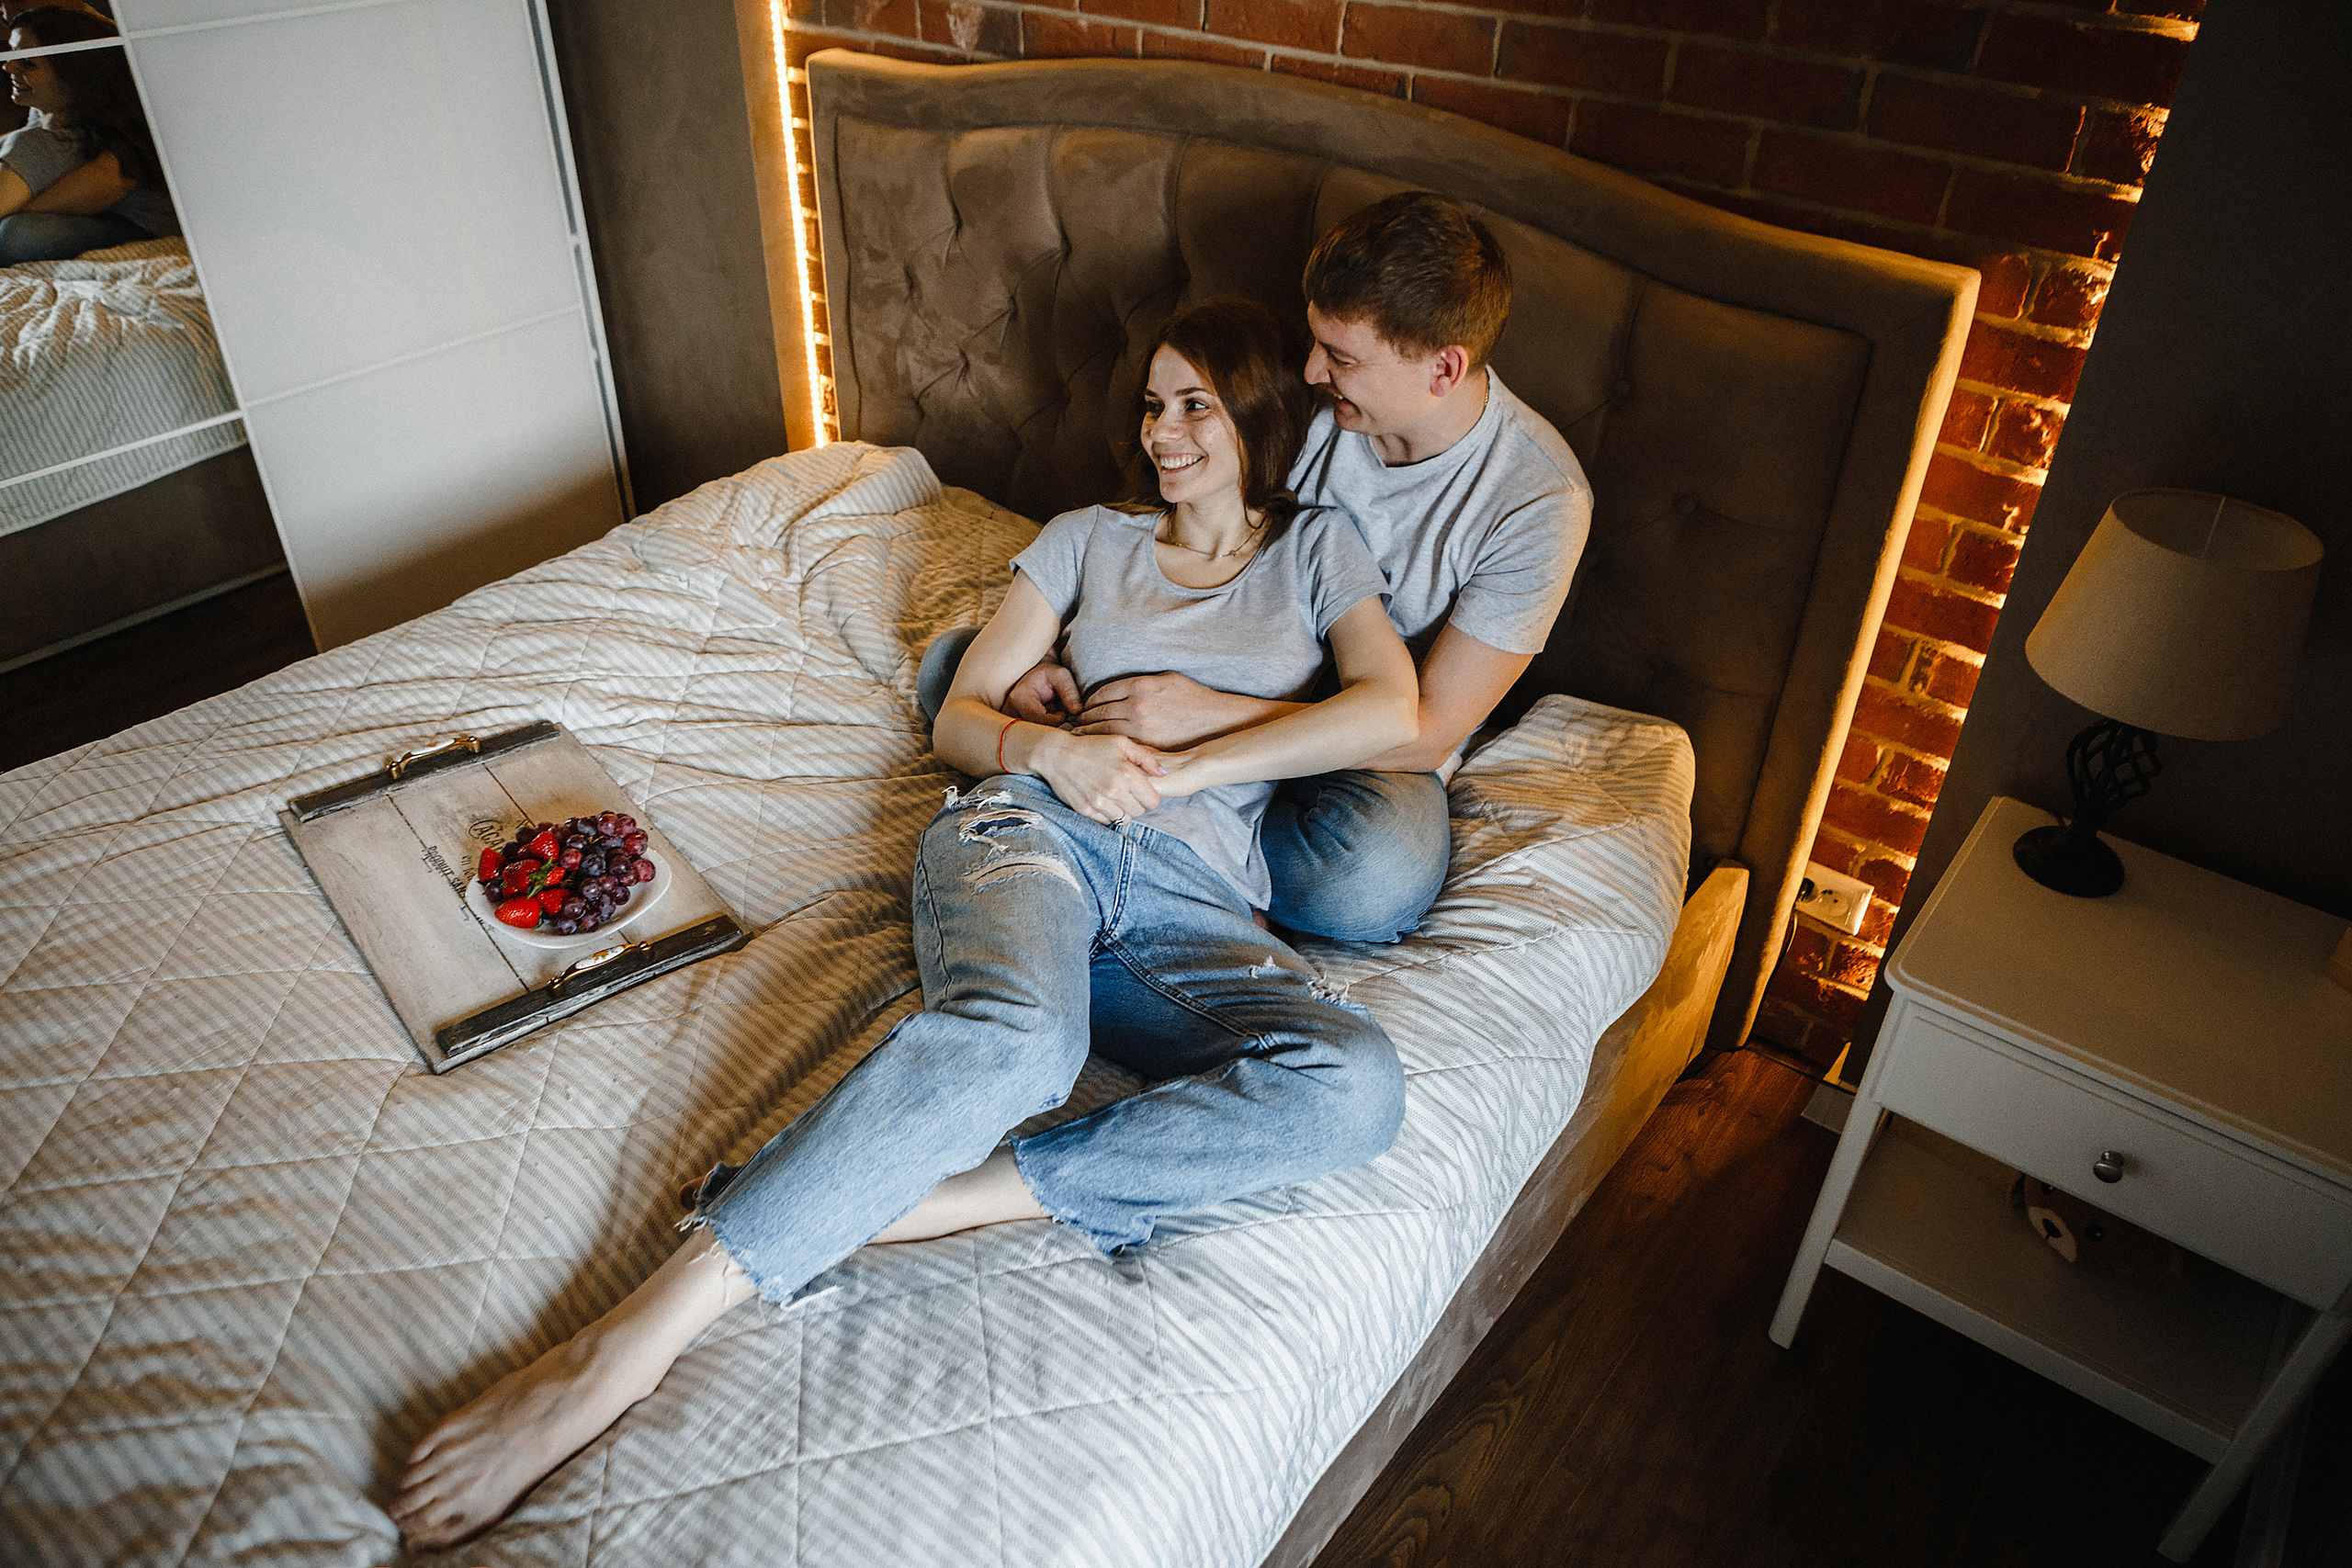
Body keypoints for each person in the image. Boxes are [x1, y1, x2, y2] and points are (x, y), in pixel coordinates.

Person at [388, 298, 1421, 1552]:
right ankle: (625, 1345)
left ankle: (932, 1198)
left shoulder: (1320, 554)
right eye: (1151, 403)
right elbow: (959, 714)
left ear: (1258, 410)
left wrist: (1189, 750)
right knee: (1022, 1043)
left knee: (1356, 1085)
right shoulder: (1088, 539)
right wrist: (1055, 751)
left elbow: (1387, 711)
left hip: (1192, 906)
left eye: (1195, 402)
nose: (1163, 430)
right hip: (1033, 832)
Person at [943, 191, 1592, 946]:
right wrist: (1049, 656)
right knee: (976, 680)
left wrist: (1207, 714)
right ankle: (1157, 826)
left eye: (1342, 357)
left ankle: (1193, 850)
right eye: (1317, 343)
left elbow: (1418, 728)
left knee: (1376, 875)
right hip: (1209, 664)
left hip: (1360, 747)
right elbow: (1161, 525)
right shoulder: (1313, 405)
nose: (1313, 369)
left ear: (1443, 369)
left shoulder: (1538, 498)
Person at [1, 6, 182, 265]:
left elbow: (110, 180)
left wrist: (17, 205)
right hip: (97, 213)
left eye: (28, 62)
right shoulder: (49, 109)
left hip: (142, 225)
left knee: (18, 234)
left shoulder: (68, 142)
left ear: (72, 75)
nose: (8, 67)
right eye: (10, 54)